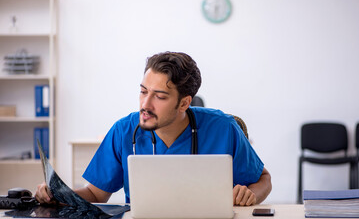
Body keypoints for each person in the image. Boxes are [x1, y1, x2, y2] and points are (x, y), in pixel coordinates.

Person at [36, 51, 272, 206]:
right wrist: (60, 196)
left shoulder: (223, 128)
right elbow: (96, 195)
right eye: (143, 91)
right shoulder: (124, 131)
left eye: (159, 96)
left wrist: (251, 195)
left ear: (184, 103)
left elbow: (264, 179)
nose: (145, 105)